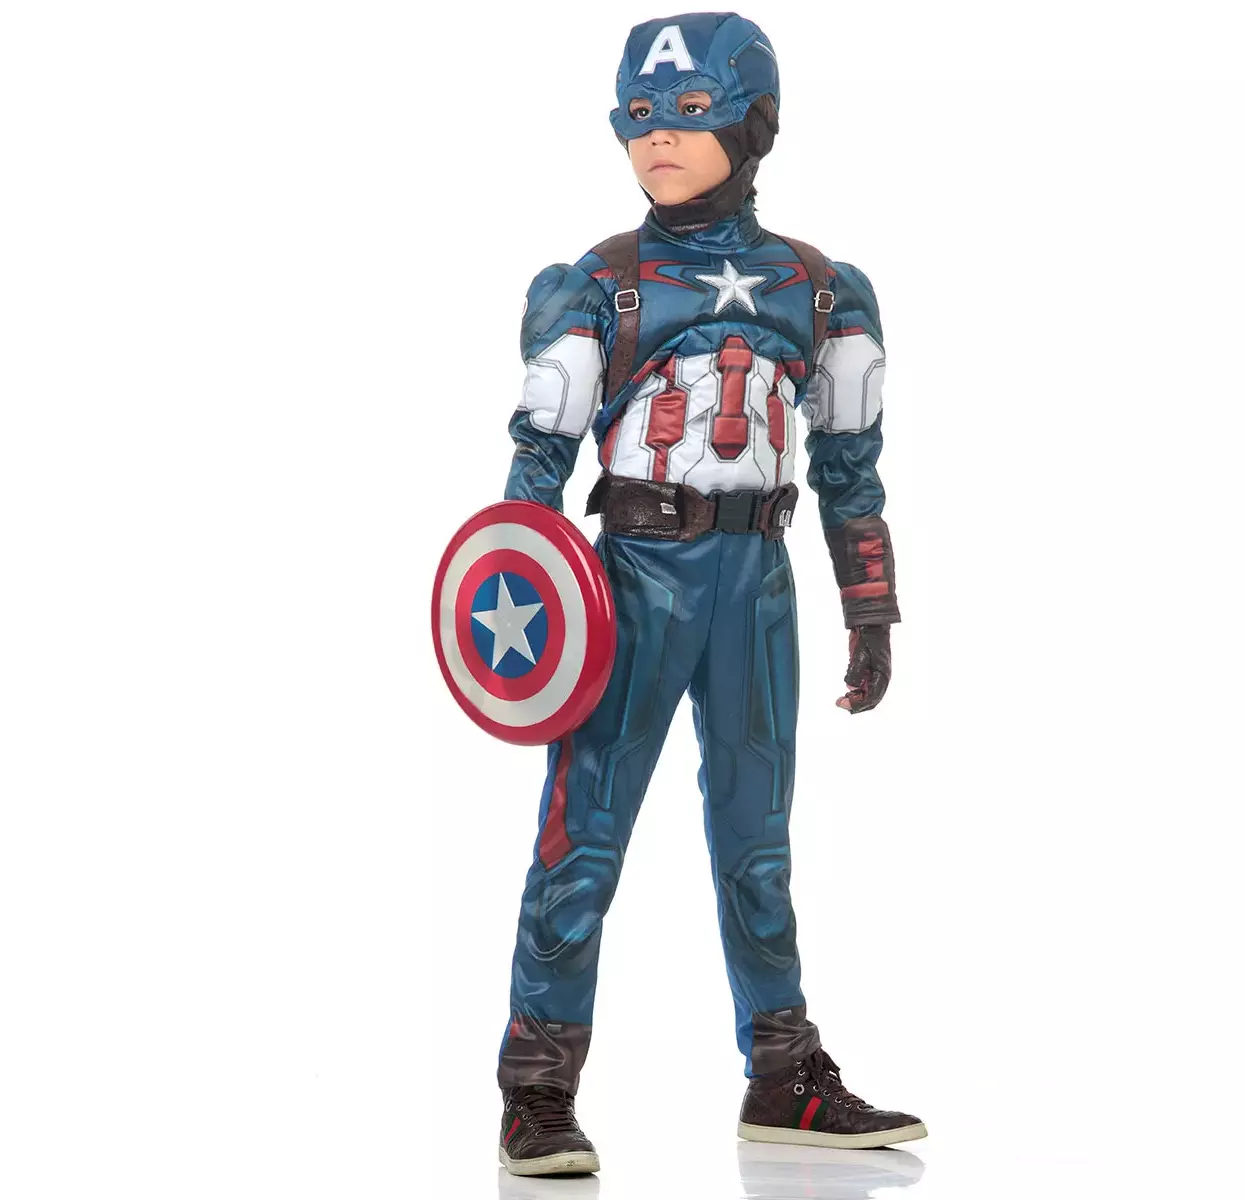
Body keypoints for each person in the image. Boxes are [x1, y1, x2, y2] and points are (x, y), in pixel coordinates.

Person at [494, 12, 922, 1177]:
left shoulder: (821, 292)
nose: (659, 137)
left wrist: (869, 605)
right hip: (629, 582)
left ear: (754, 122)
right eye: (639, 115)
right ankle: (537, 1085)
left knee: (757, 840)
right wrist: (523, 618)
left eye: (689, 113)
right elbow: (534, 472)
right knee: (584, 835)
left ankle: (782, 1072)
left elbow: (850, 468)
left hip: (756, 584)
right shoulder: (602, 284)